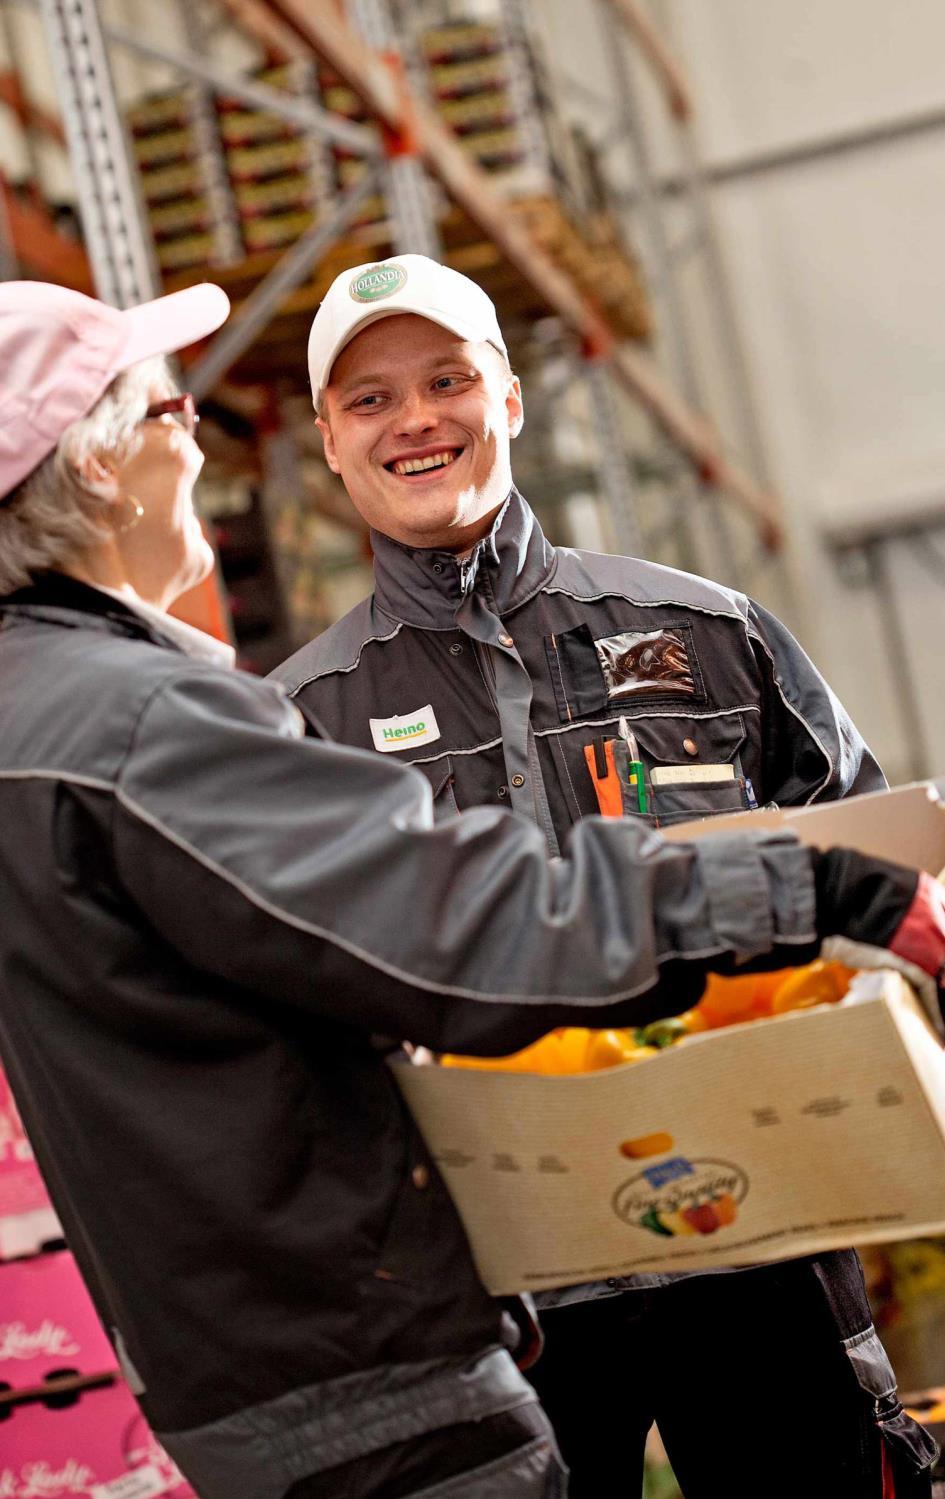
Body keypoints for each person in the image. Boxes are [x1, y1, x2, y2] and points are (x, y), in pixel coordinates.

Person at [272, 253, 942, 1498]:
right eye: (369, 400)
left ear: (510, 400)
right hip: (504, 1289)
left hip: (762, 1238)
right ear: (328, 440)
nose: (416, 420)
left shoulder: (710, 633)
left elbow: (876, 873)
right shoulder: (298, 724)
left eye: (447, 379)